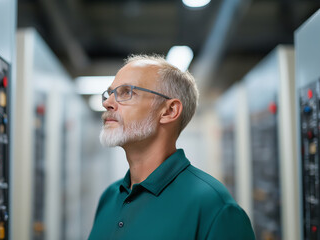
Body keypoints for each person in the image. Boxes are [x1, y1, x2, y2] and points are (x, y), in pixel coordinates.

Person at [88, 54, 255, 240]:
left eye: (126, 92)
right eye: (109, 93)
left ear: (169, 111)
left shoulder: (215, 208)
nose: (107, 103)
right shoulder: (109, 197)